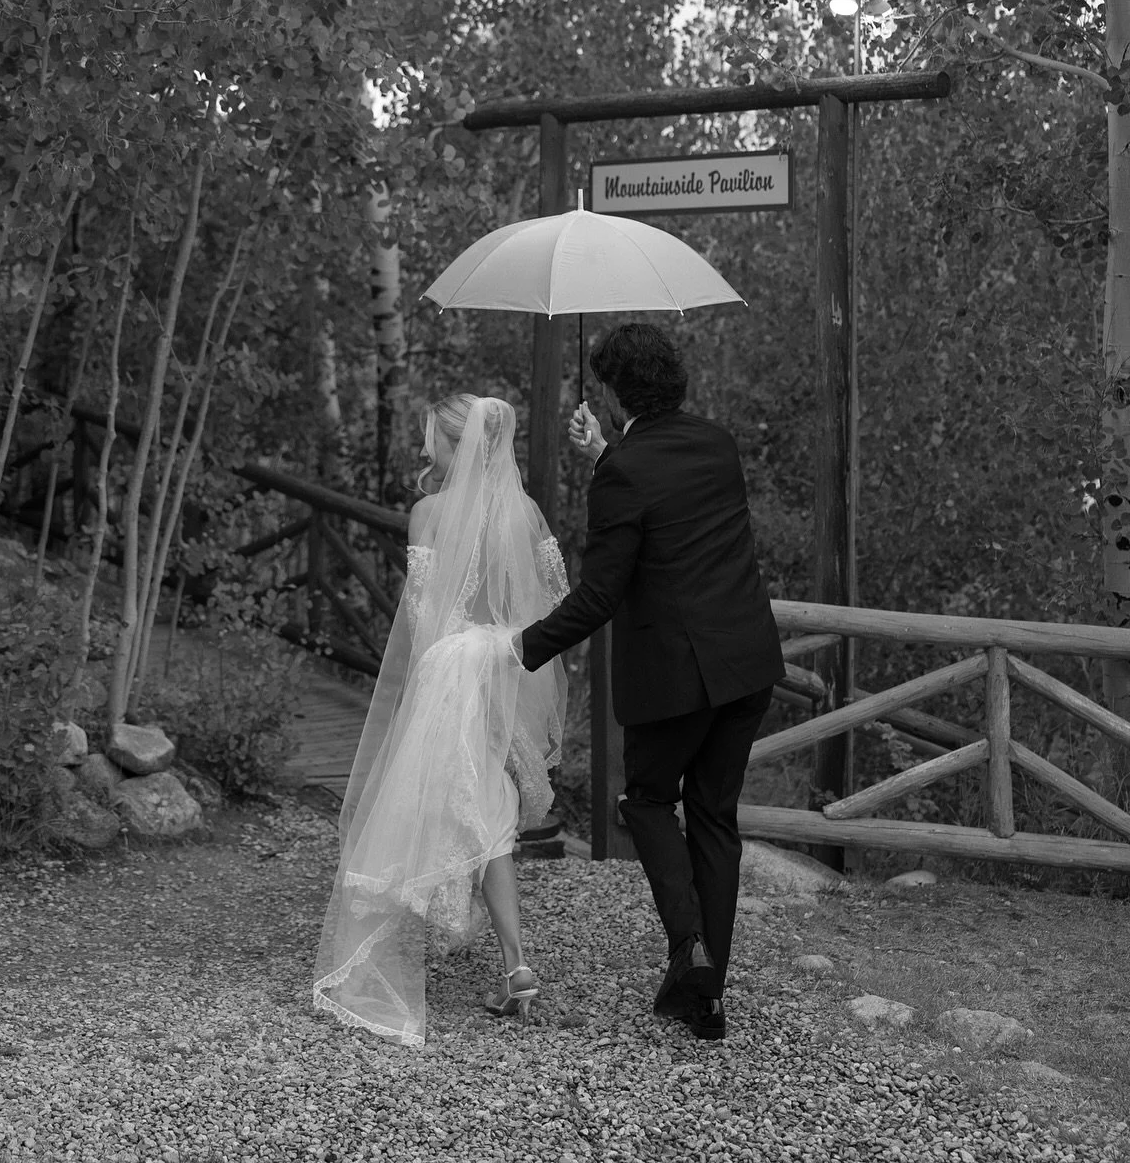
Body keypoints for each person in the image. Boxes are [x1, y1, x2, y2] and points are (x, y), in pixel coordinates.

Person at [516, 321, 783, 1041]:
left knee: (647, 801)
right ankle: (708, 994)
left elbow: (601, 594)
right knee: (716, 819)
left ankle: (689, 949)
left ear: (609, 391)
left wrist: (521, 648)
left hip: (675, 676)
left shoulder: (625, 471)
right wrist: (608, 453)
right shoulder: (715, 445)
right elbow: (674, 509)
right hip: (747, 664)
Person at [313, 393, 569, 1047]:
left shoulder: (429, 513)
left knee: (443, 813)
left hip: (453, 672)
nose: (427, 448)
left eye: (434, 438)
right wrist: (509, 652)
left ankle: (384, 949)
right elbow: (559, 602)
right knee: (488, 814)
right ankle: (515, 964)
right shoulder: (528, 511)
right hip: (510, 666)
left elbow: (423, 618)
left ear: (458, 446)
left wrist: (421, 695)